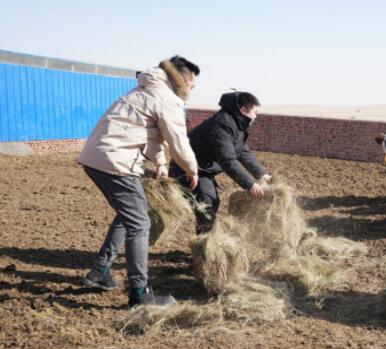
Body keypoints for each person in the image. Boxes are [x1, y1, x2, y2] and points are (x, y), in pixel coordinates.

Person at [78, 56, 200, 307]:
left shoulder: (148, 89)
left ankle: (100, 271)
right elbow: (178, 140)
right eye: (192, 82)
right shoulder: (166, 98)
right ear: (181, 78)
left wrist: (161, 165)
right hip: (115, 162)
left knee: (130, 214)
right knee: (140, 224)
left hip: (98, 158)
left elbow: (150, 134)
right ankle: (139, 294)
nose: (193, 87)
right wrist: (192, 169)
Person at [170, 91, 271, 233]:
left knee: (210, 203)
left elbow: (242, 151)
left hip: (203, 170)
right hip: (188, 169)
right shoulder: (222, 125)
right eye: (254, 112)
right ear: (243, 110)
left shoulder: (237, 124)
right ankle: (204, 245)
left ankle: (205, 240)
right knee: (207, 203)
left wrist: (261, 174)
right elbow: (227, 160)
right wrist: (250, 184)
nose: (256, 116)